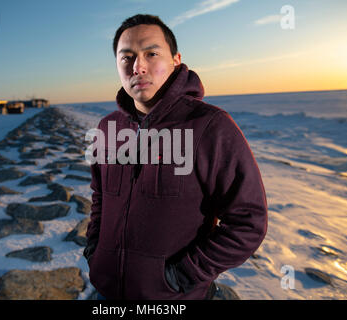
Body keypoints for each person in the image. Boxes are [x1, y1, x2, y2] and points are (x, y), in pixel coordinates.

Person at [83, 14, 268, 300]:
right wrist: (94, 250)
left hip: (173, 298)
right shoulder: (107, 128)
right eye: (126, 57)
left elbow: (248, 221)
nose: (138, 67)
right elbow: (100, 197)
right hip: (105, 292)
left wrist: (182, 275)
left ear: (176, 60)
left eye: (151, 54)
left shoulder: (210, 127)